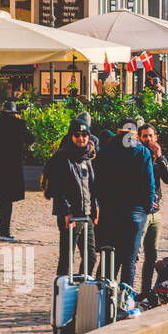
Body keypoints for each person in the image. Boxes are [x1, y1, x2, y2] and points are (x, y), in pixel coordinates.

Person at [95, 120, 156, 289]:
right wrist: (148, 208)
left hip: (110, 211)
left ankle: (103, 298)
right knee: (129, 260)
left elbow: (96, 182)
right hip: (135, 213)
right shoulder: (141, 152)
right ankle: (125, 299)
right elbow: (149, 183)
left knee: (109, 258)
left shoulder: (105, 152)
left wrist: (99, 206)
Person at [44, 118, 99, 276]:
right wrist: (67, 212)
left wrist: (95, 207)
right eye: (77, 135)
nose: (81, 138)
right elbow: (56, 187)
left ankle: (83, 288)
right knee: (67, 258)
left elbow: (91, 186)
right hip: (71, 216)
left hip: (87, 214)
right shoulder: (62, 157)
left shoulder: (88, 157)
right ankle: (62, 290)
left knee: (91, 257)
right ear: (71, 136)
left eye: (84, 135)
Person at [0, 101, 32, 242]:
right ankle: (5, 231)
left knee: (1, 201)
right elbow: (30, 139)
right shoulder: (18, 124)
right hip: (12, 169)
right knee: (6, 201)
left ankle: (2, 230)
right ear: (14, 113)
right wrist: (22, 123)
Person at [136, 124, 168, 299]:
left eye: (151, 136)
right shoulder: (137, 156)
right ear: (139, 138)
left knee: (151, 254)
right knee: (133, 254)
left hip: (156, 212)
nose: (148, 139)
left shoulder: (157, 158)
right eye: (145, 136)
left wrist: (160, 157)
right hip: (141, 212)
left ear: (156, 138)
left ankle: (145, 291)